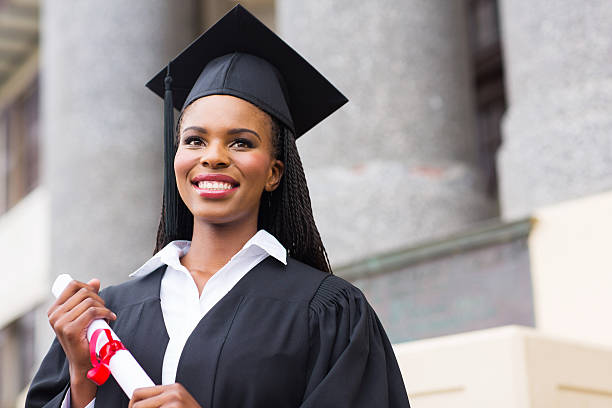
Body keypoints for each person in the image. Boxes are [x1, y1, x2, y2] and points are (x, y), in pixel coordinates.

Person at [26, 5, 411, 408]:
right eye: (194, 140)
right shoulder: (111, 314)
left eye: (241, 142)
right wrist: (82, 381)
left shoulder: (329, 313)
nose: (213, 156)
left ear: (275, 172)